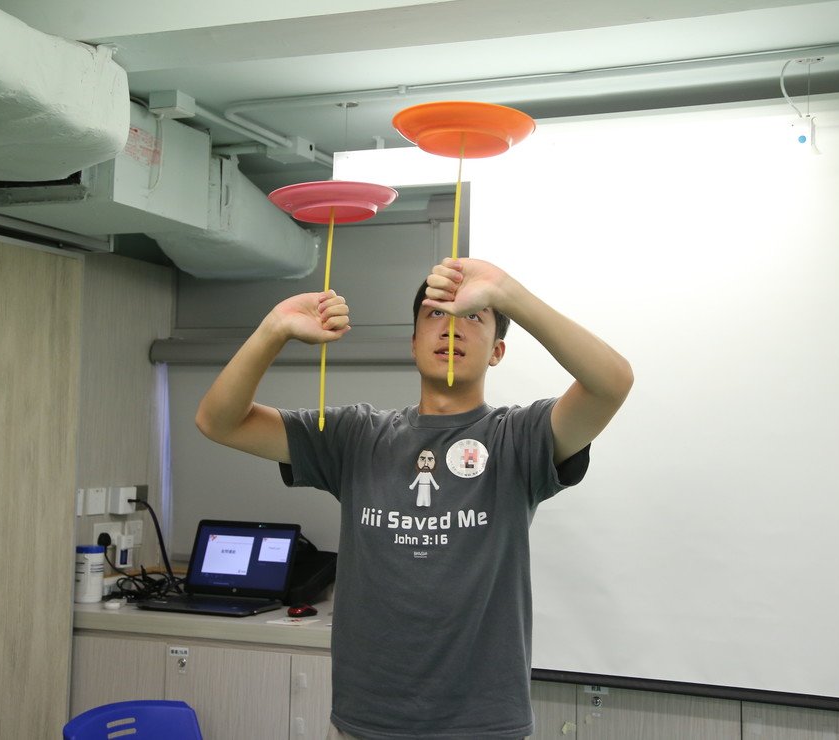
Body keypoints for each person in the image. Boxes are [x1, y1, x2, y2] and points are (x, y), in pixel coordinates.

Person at [195, 257, 633, 740]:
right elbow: (219, 421)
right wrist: (274, 328)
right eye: (435, 313)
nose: (451, 326)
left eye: (473, 315)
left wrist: (507, 292)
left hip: (482, 727)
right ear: (413, 342)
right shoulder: (355, 436)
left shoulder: (519, 438)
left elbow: (611, 383)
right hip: (364, 724)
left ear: (497, 351)